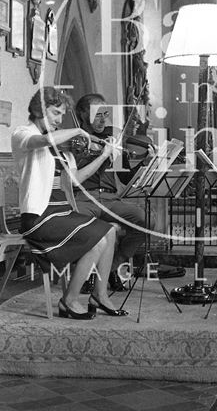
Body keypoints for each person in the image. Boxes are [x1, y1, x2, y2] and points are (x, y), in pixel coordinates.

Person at [11, 87, 128, 319]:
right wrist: (77, 130)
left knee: (110, 232)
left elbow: (76, 180)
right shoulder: (22, 134)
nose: (59, 119)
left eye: (62, 114)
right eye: (55, 113)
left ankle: (100, 295)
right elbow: (43, 140)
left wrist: (104, 155)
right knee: (95, 240)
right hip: (39, 216)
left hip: (63, 211)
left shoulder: (65, 150)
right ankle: (69, 300)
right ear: (39, 111)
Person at [73, 93, 155, 291]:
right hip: (84, 198)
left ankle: (111, 267)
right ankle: (83, 274)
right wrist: (102, 154)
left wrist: (145, 163)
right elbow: (71, 177)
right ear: (83, 115)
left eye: (105, 114)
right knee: (79, 225)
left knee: (147, 221)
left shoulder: (112, 140)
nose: (103, 119)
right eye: (97, 114)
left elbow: (126, 178)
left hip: (111, 199)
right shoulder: (74, 139)